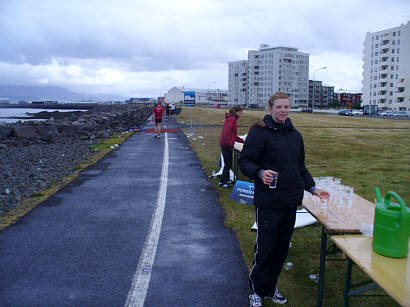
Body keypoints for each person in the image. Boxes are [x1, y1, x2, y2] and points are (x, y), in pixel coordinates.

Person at [239, 92, 330, 307]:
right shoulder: (259, 133)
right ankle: (256, 291)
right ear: (270, 108)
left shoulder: (295, 135)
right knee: (265, 249)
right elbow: (245, 161)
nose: (283, 111)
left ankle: (270, 288)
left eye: (286, 107)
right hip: (269, 202)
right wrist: (260, 173)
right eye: (279, 107)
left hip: (290, 201)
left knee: (281, 250)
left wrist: (313, 188)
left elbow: (300, 168)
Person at [219, 105, 244, 188]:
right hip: (226, 144)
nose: (241, 114)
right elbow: (226, 133)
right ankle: (222, 182)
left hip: (226, 143)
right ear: (237, 112)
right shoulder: (232, 119)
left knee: (229, 163)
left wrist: (243, 141)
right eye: (241, 112)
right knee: (228, 164)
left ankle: (226, 179)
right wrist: (230, 144)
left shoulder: (232, 119)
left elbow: (233, 135)